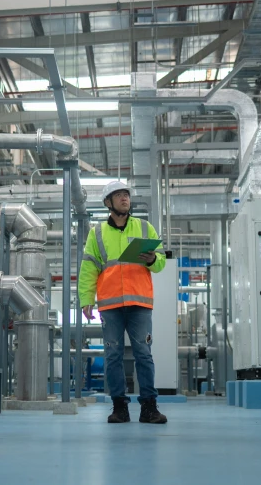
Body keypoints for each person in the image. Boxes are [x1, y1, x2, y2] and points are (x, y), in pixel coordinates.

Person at [78, 181, 168, 424]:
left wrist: (151, 259)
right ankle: (120, 408)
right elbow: (88, 268)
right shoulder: (97, 233)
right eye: (118, 195)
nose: (124, 199)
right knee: (113, 356)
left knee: (144, 354)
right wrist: (86, 298)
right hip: (110, 305)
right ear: (108, 202)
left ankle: (149, 407)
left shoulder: (144, 227)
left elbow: (160, 263)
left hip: (139, 303)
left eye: (126, 195)